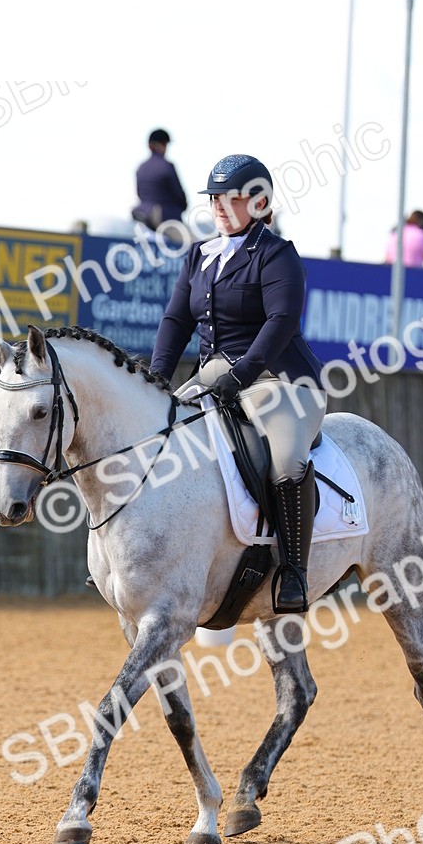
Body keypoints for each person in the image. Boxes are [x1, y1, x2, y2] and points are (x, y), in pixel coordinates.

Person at [150, 153, 326, 614]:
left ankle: (293, 571)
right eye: (214, 199)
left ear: (260, 202)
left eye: (232, 199)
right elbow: (175, 320)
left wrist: (242, 374)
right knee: (152, 433)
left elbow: (281, 320)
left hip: (279, 380)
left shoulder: (276, 255)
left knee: (287, 459)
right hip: (213, 376)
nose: (220, 207)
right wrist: (157, 378)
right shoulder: (199, 255)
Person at [132, 129, 188, 233]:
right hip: (164, 218)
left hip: (142, 213)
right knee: (192, 244)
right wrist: (183, 207)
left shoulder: (140, 168)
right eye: (164, 144)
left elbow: (139, 194)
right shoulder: (167, 167)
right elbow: (179, 195)